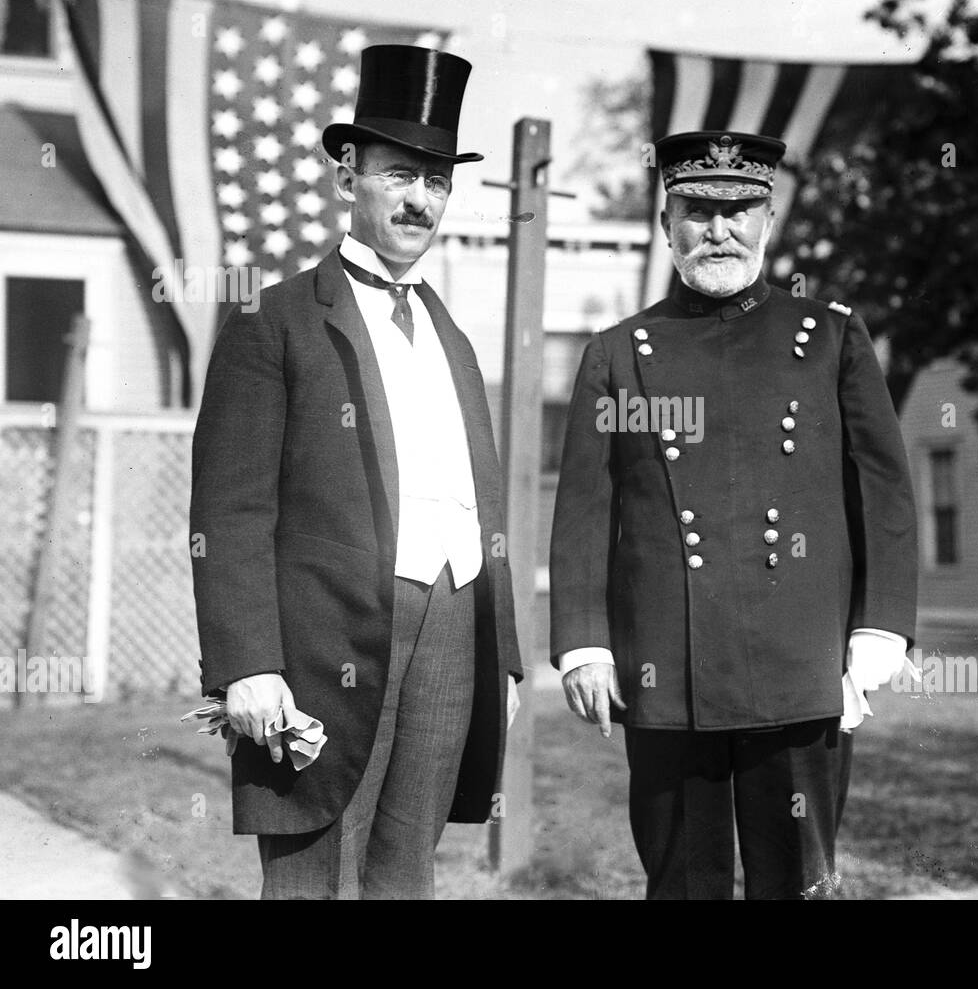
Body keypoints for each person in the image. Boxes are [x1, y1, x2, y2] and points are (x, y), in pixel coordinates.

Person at [549, 130, 918, 899]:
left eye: (740, 209)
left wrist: (880, 624)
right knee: (684, 883)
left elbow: (882, 490)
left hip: (799, 665)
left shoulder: (828, 338)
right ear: (666, 223)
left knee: (797, 884)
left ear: (769, 219)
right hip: (667, 672)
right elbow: (587, 510)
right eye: (697, 210)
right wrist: (583, 644)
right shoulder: (618, 353)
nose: (719, 230)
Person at [190, 45, 522, 900]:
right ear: (349, 178)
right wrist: (245, 664)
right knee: (311, 875)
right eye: (401, 175)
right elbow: (228, 511)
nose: (421, 200)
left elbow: (482, 500)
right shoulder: (277, 319)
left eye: (438, 183)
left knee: (406, 870)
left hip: (454, 621)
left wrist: (505, 656)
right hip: (326, 641)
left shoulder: (451, 333)